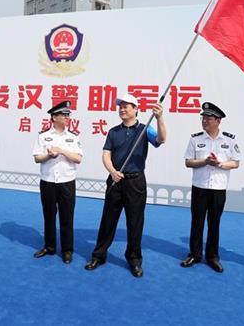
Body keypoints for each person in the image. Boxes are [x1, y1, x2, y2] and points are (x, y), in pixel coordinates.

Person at [84, 93, 166, 278]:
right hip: (115, 180)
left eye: (126, 106)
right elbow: (106, 154)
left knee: (135, 222)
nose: (122, 109)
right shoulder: (113, 131)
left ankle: (134, 259)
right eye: (120, 106)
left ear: (136, 109)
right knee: (108, 220)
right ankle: (99, 255)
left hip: (135, 181)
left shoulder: (145, 130)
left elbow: (161, 140)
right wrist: (112, 171)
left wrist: (160, 118)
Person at [180, 102, 241, 273]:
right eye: (203, 117)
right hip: (199, 187)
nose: (205, 120)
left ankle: (212, 256)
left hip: (218, 189)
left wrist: (219, 163)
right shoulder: (195, 139)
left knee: (214, 223)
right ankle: (194, 254)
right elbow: (188, 162)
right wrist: (205, 161)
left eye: (209, 118)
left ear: (218, 120)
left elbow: (235, 163)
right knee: (197, 222)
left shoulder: (229, 140)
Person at [32, 101, 83, 264]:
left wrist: (62, 151)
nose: (68, 117)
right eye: (64, 115)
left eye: (68, 115)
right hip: (47, 181)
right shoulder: (43, 136)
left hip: (66, 182)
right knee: (48, 215)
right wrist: (49, 156)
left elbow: (78, 158)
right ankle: (49, 246)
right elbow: (37, 158)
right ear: (54, 117)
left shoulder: (73, 137)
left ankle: (67, 250)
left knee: (67, 216)